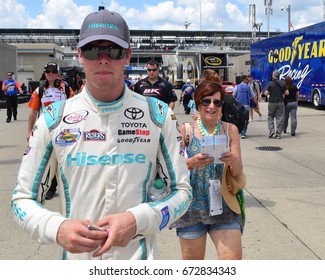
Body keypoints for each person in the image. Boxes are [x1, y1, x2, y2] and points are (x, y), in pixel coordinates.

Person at [11, 9, 191, 260]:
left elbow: (183, 192)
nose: (103, 59)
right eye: (94, 50)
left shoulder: (158, 116)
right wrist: (57, 228)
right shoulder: (53, 119)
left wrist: (137, 221)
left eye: (114, 50)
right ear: (80, 55)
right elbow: (21, 200)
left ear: (127, 55)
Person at [170, 80, 245, 260]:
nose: (212, 106)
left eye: (217, 102)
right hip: (192, 209)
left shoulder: (230, 130)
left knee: (232, 261)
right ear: (198, 103)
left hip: (224, 205)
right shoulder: (184, 131)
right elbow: (172, 170)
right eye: (206, 101)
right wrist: (191, 162)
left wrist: (233, 160)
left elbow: (237, 173)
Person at [27, 62, 75, 200]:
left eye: (53, 71)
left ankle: (68, 186)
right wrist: (29, 131)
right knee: (49, 159)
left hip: (64, 129)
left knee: (65, 158)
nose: (50, 74)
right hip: (45, 129)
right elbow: (33, 111)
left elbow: (74, 107)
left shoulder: (66, 88)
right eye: (48, 71)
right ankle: (51, 187)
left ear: (58, 73)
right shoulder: (40, 90)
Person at [264, 70, 288, 139]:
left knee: (270, 117)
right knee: (280, 117)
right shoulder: (283, 83)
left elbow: (266, 93)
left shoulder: (270, 84)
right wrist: (281, 93)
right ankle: (279, 134)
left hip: (272, 102)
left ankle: (271, 130)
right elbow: (287, 93)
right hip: (280, 102)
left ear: (273, 76)